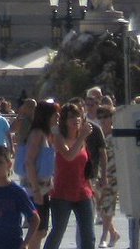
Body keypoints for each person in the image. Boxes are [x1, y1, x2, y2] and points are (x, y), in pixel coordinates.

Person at [43, 103, 94, 249]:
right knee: (58, 232)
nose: (75, 120)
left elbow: (84, 167)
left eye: (78, 116)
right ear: (64, 120)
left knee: (88, 235)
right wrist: (82, 136)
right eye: (71, 117)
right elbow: (69, 156)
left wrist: (91, 191)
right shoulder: (58, 137)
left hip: (82, 192)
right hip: (62, 193)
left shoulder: (81, 139)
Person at [19, 101, 59, 249]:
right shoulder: (37, 134)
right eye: (55, 114)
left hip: (44, 188)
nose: (57, 117)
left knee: (41, 231)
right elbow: (29, 162)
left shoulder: (46, 134)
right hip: (35, 189)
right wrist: (35, 190)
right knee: (37, 230)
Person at [93, 107, 120, 248]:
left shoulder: (117, 135)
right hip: (97, 175)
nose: (103, 120)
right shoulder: (97, 134)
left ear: (111, 118)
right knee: (99, 207)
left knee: (108, 205)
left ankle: (104, 236)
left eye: (106, 117)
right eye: (100, 117)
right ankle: (113, 233)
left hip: (113, 175)